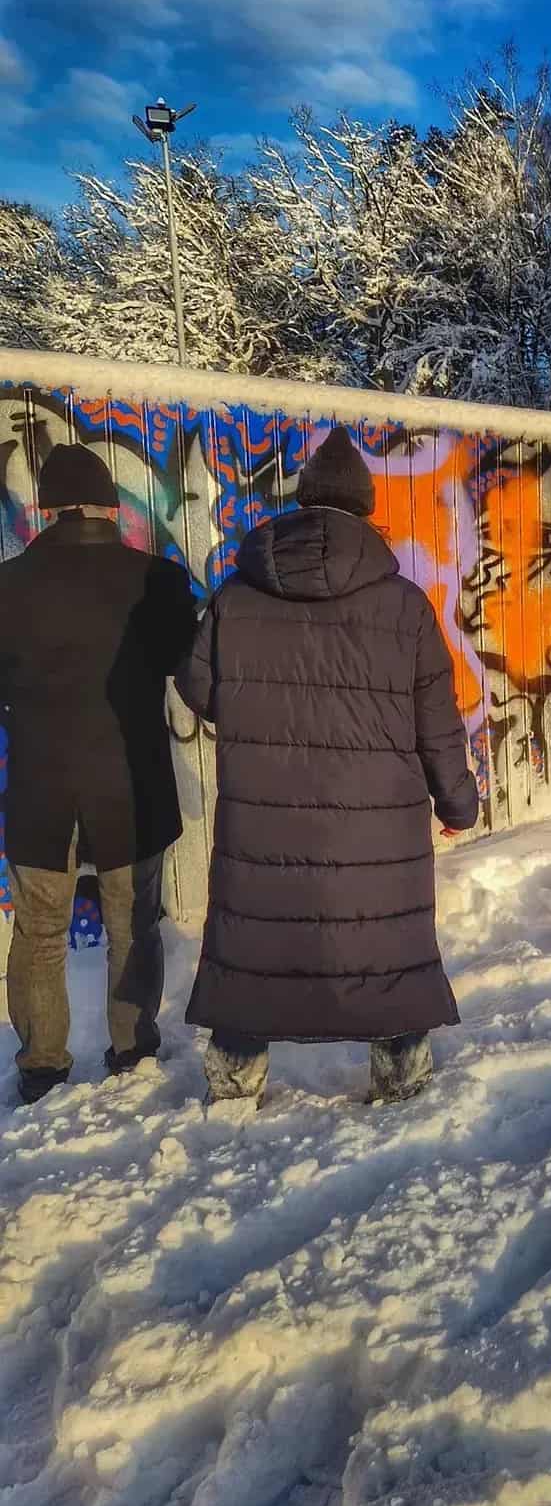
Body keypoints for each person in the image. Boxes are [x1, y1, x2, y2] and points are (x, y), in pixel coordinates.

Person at [176, 425, 479, 1112]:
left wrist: (256, 711)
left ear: (304, 500)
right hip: (378, 828)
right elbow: (437, 721)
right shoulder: (403, 607)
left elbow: (197, 687)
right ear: (367, 510)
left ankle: (234, 1086)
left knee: (256, 948)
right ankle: (400, 1085)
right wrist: (458, 804)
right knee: (386, 949)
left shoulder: (237, 595)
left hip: (265, 814)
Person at [0, 445, 196, 1104]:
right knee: (133, 927)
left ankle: (42, 1066)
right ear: (110, 505)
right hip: (131, 791)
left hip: (39, 791)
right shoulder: (160, 580)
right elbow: (183, 667)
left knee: (39, 932)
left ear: (47, 510)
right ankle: (133, 1050)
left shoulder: (6, 586)